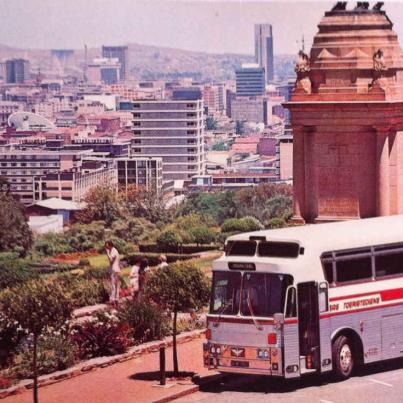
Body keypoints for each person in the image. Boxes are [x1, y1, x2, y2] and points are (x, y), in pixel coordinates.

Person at [105, 240, 121, 307]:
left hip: (114, 269)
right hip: (116, 269)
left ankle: (113, 300)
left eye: (107, 245)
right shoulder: (113, 251)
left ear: (110, 245)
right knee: (116, 285)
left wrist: (107, 253)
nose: (106, 246)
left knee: (113, 285)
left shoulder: (113, 251)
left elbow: (111, 260)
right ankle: (116, 299)